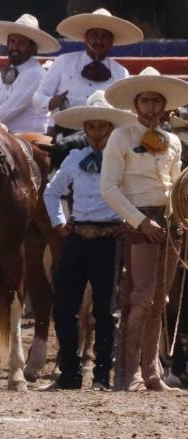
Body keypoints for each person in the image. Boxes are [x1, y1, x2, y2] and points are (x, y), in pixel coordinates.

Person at [38, 91, 135, 391]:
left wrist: (129, 221)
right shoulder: (74, 157)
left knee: (105, 311)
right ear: (85, 128)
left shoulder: (123, 158)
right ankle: (69, 373)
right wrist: (58, 221)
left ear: (110, 128)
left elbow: (137, 193)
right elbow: (51, 191)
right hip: (78, 236)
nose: (95, 133)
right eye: (90, 127)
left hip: (109, 237)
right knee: (64, 305)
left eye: (100, 127)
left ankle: (103, 376)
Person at [101, 67, 187, 391]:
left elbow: (176, 184)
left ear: (164, 106)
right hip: (140, 221)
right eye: (145, 101)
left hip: (169, 222)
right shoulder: (121, 137)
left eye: (156, 102)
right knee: (140, 298)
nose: (150, 108)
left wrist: (179, 218)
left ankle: (152, 372)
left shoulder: (174, 142)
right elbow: (108, 187)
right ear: (135, 104)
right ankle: (129, 373)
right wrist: (139, 221)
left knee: (160, 299)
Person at [36, 9, 141, 134]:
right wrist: (50, 102)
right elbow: (38, 96)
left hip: (104, 135)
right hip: (63, 132)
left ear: (112, 41)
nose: (99, 41)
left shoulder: (121, 72)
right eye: (94, 35)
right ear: (85, 37)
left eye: (104, 36)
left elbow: (126, 111)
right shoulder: (64, 62)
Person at [0, 14, 59, 135]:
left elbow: (11, 109)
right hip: (4, 134)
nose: (15, 47)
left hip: (30, 136)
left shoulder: (34, 73)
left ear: (33, 48)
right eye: (12, 41)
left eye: (21, 43)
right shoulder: (5, 71)